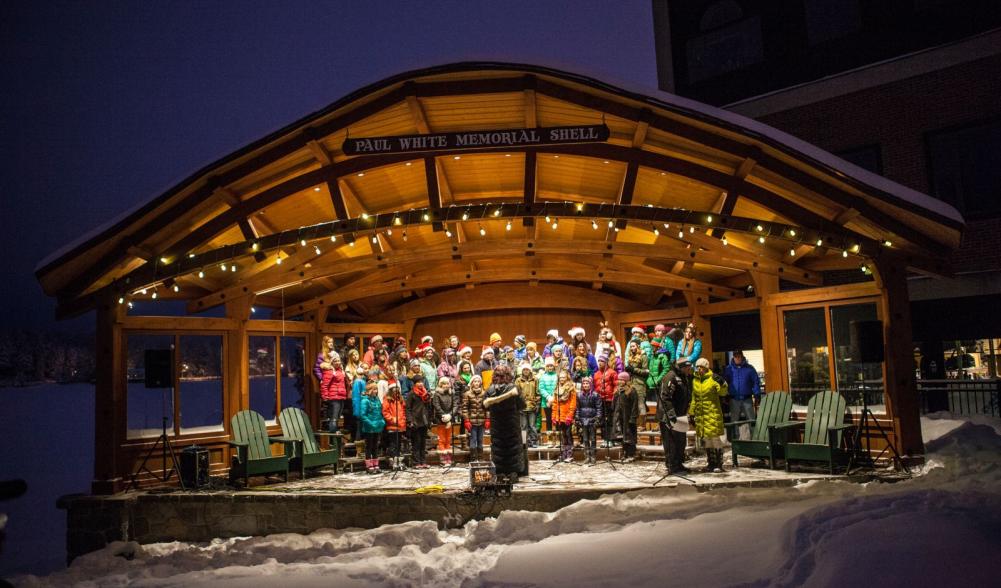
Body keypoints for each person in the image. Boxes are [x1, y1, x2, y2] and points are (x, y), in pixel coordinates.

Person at [484, 363, 528, 479]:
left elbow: (485, 406)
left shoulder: (489, 390)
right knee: (513, 446)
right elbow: (522, 405)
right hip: (511, 423)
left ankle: (500, 472)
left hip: (497, 424)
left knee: (499, 447)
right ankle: (513, 473)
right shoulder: (514, 388)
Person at [690, 357, 728, 473]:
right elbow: (694, 398)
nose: (699, 369)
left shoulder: (713, 379)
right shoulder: (695, 380)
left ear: (706, 368)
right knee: (707, 440)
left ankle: (719, 464)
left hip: (713, 413)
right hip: (701, 415)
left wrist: (723, 383)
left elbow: (723, 392)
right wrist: (691, 413)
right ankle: (711, 463)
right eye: (697, 367)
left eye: (701, 367)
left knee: (715, 439)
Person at [658, 359, 693, 474]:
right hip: (669, 416)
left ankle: (679, 463)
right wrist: (671, 415)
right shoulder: (670, 377)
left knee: (680, 441)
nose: (690, 369)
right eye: (688, 367)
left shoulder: (684, 377)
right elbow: (665, 397)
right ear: (682, 367)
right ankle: (672, 465)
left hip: (681, 414)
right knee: (671, 442)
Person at [723, 350, 761, 441]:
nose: (737, 358)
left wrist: (757, 394)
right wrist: (725, 396)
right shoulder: (729, 369)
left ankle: (755, 439)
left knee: (751, 420)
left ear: (742, 356)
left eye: (739, 356)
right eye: (736, 356)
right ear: (733, 357)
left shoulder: (750, 368)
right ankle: (735, 441)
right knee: (734, 421)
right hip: (734, 399)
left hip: (747, 399)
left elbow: (755, 382)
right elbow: (724, 383)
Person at [612, 371, 641, 461]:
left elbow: (634, 405)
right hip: (620, 417)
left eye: (622, 380)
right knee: (622, 436)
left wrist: (633, 417)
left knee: (629, 435)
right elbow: (615, 404)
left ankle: (631, 454)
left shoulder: (632, 391)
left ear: (626, 380)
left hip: (628, 417)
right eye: (619, 379)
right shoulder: (618, 391)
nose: (620, 381)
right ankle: (625, 453)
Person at [551, 370, 578, 462]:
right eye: (561, 377)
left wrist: (570, 415)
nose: (562, 379)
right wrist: (553, 416)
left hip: (567, 415)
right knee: (563, 435)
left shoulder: (571, 388)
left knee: (568, 434)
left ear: (567, 377)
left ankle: (570, 454)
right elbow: (555, 403)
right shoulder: (557, 388)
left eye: (564, 377)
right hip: (559, 415)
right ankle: (564, 453)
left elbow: (573, 403)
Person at [406, 373, 432, 469]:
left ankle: (423, 461)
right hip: (416, 421)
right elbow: (408, 408)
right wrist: (410, 421)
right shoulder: (411, 394)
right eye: (418, 382)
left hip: (424, 420)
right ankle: (416, 462)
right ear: (414, 384)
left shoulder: (426, 394)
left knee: (423, 443)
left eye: (421, 382)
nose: (420, 384)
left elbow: (429, 408)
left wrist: (429, 419)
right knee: (416, 443)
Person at [576, 376, 603, 465]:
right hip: (583, 419)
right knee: (586, 439)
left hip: (592, 419)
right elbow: (577, 408)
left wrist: (598, 418)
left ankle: (593, 456)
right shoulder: (579, 395)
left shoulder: (595, 395)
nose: (585, 385)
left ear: (590, 384)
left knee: (593, 438)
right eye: (584, 383)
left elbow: (599, 408)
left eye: (587, 383)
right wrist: (577, 418)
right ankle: (587, 456)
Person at [359, 381, 385, 474]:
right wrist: (371, 423)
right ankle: (369, 465)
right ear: (369, 390)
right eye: (374, 389)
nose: (376, 391)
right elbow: (363, 415)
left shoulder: (377, 399)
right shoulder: (365, 400)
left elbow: (379, 412)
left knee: (375, 446)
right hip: (369, 427)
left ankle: (375, 464)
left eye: (376, 389)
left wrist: (381, 421)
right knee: (369, 446)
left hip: (377, 426)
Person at [319, 351, 348, 433]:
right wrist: (325, 397)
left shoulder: (340, 371)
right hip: (334, 397)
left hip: (341, 396)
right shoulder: (329, 371)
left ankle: (335, 434)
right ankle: (333, 436)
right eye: (335, 361)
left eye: (339, 360)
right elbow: (324, 385)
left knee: (338, 417)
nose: (338, 362)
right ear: (332, 362)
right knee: (334, 418)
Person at [462, 374, 489, 461]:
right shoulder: (467, 394)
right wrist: (466, 420)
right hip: (472, 422)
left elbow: (487, 407)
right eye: (475, 381)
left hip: (481, 421)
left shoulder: (484, 393)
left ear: (480, 383)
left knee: (480, 440)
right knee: (473, 440)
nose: (476, 383)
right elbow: (464, 408)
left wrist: (488, 419)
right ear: (472, 383)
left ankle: (480, 458)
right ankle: (473, 458)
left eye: (478, 381)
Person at [382, 381, 407, 470]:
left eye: (397, 390)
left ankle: (398, 460)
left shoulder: (400, 399)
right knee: (393, 444)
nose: (396, 392)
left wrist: (403, 420)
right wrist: (392, 419)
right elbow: (385, 412)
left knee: (399, 444)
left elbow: (403, 411)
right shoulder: (387, 399)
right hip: (392, 425)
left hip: (400, 425)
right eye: (394, 390)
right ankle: (393, 461)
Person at [432, 376, 457, 466]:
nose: (446, 385)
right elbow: (436, 406)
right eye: (444, 384)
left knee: (448, 438)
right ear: (441, 385)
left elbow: (455, 405)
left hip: (450, 419)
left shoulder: (452, 393)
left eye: (447, 383)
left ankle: (448, 457)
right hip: (441, 419)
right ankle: (443, 458)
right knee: (442, 439)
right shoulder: (437, 394)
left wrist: (450, 415)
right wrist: (444, 416)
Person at [514, 361, 540, 448]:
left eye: (527, 369)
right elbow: (516, 393)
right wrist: (518, 405)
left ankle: (534, 441)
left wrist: (537, 403)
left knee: (532, 425)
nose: (526, 371)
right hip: (522, 407)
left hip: (532, 406)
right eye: (524, 369)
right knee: (523, 426)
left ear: (530, 370)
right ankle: (524, 442)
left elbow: (538, 392)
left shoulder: (535, 379)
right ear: (522, 371)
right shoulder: (518, 380)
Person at [593, 354, 617, 445]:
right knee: (602, 420)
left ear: (606, 362)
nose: (600, 363)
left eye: (602, 361)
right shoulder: (596, 374)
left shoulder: (612, 372)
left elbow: (616, 385)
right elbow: (595, 387)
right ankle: (605, 439)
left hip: (609, 399)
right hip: (600, 400)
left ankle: (610, 439)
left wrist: (614, 395)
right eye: (599, 361)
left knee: (609, 420)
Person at [624, 340, 650, 411]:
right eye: (631, 346)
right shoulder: (631, 356)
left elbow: (646, 371)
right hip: (631, 383)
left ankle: (642, 422)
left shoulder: (643, 356)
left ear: (638, 346)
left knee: (640, 404)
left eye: (633, 346)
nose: (632, 348)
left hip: (640, 383)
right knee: (633, 405)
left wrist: (633, 369)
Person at [538, 356, 558, 434]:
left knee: (557, 419)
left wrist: (554, 397)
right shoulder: (543, 376)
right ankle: (550, 439)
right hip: (546, 402)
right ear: (546, 367)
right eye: (548, 366)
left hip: (556, 400)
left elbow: (559, 387)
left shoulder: (557, 376)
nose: (550, 367)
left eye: (551, 366)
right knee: (548, 419)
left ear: (553, 366)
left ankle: (557, 438)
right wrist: (548, 397)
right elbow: (541, 388)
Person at [351, 364, 370, 440]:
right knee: (359, 428)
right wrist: (358, 411)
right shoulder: (358, 382)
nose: (361, 375)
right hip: (360, 409)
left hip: (364, 408)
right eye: (360, 374)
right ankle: (359, 447)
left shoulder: (364, 381)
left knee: (363, 428)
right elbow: (356, 397)